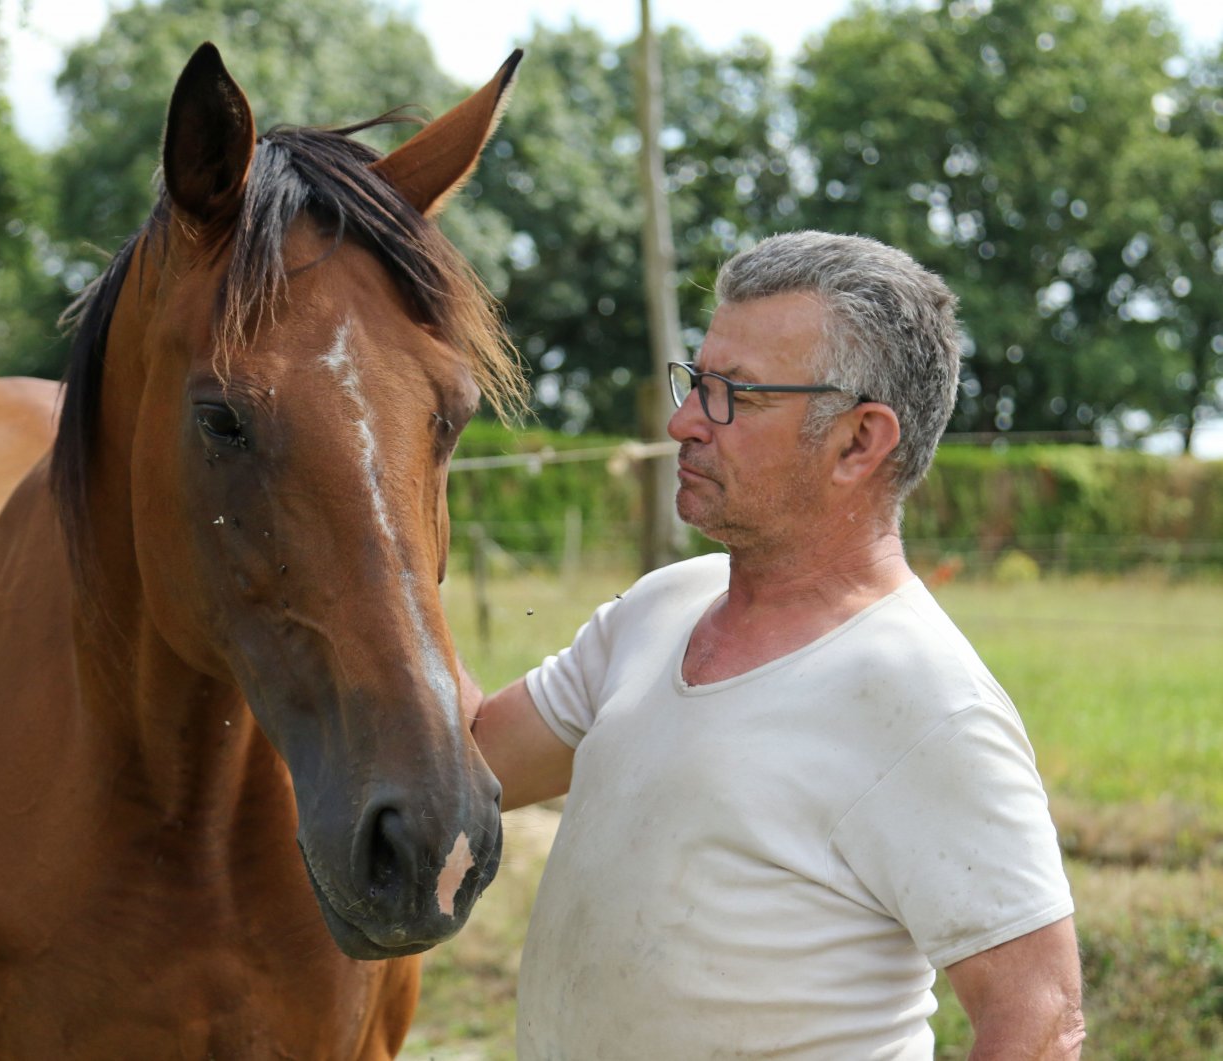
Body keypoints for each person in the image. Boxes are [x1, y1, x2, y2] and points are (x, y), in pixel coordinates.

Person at [460, 231, 1084, 1058]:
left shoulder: (927, 699)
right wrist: (373, 538)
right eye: (696, 381)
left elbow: (1040, 1021)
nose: (684, 421)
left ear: (859, 441)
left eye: (735, 395)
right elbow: (476, 761)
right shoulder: (660, 608)